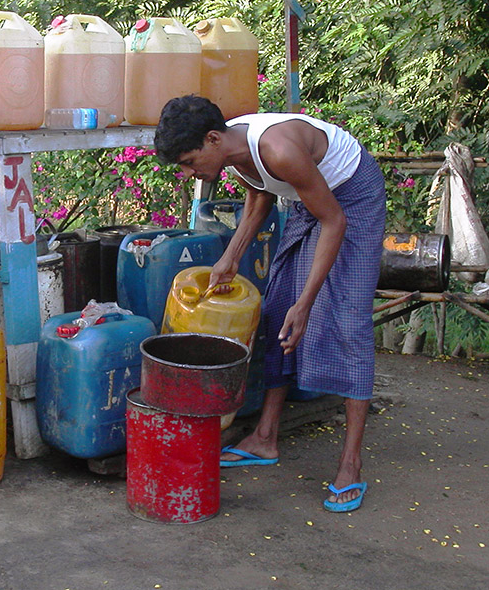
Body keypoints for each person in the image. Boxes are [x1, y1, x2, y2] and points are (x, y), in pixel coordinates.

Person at [154, 95, 385, 513]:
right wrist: (231, 257)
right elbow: (260, 197)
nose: (189, 173)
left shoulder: (278, 150)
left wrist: (308, 301)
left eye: (189, 161)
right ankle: (265, 437)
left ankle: (351, 464)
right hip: (309, 197)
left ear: (211, 139)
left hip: (351, 196)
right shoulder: (235, 150)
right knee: (278, 309)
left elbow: (334, 220)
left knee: (347, 320)